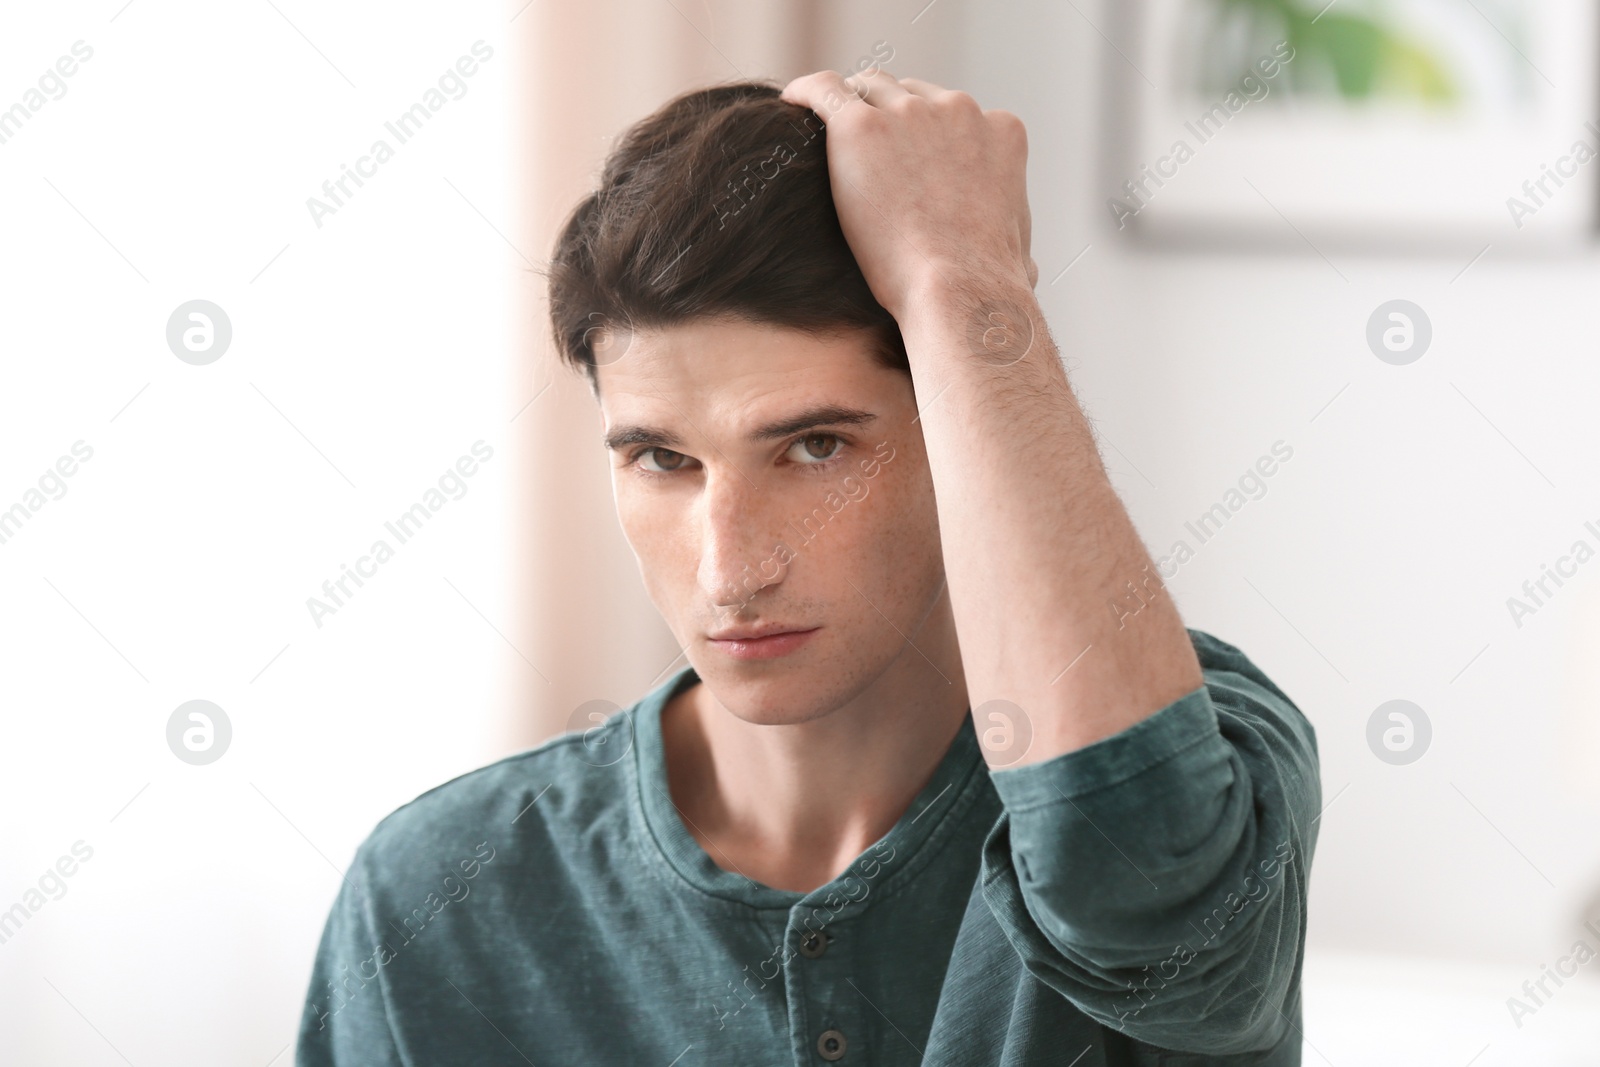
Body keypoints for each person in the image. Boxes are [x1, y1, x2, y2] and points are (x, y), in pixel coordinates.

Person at [296, 68, 1320, 1066]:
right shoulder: (437, 890)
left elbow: (1139, 889)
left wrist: (963, 282)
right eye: (662, 458)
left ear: (959, 428)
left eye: (815, 448)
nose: (730, 569)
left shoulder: (1215, 753)